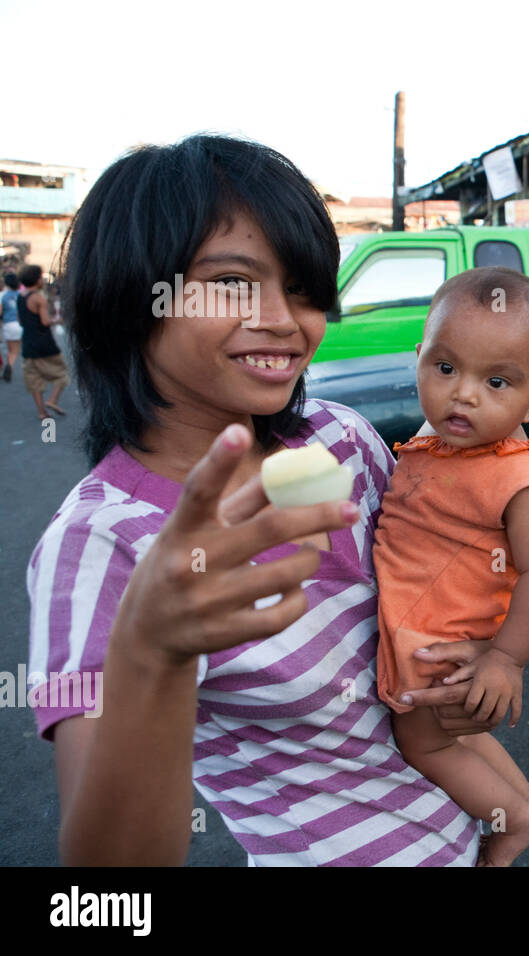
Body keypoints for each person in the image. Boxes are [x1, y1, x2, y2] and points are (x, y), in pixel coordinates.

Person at [28, 134, 499, 866]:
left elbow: (426, 609)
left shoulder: (342, 438)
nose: (284, 320)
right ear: (131, 294)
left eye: (304, 288)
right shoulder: (101, 544)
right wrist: (153, 652)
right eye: (235, 284)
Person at [374, 267, 529, 866]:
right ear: (419, 359)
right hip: (418, 616)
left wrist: (505, 659)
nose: (463, 394)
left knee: (421, 738)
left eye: (496, 381)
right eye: (445, 368)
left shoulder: (520, 480)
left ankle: (512, 820)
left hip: (443, 639)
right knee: (452, 731)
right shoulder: (433, 437)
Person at [16, 263, 69, 419]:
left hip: (28, 343)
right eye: (40, 277)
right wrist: (57, 320)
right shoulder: (39, 298)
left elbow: (21, 320)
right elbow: (45, 322)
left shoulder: (21, 297)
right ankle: (52, 400)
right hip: (44, 343)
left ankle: (41, 412)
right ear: (36, 279)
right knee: (62, 374)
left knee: (34, 380)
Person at [1, 271, 20, 382]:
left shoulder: (3, 296)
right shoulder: (20, 295)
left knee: (10, 349)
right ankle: (10, 366)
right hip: (18, 324)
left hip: (7, 324)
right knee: (15, 351)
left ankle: (8, 365)